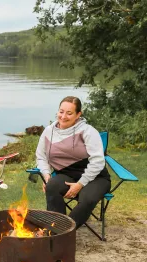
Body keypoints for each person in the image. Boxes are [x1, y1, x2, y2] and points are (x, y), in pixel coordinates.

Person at [36, 96, 111, 229]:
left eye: (69, 113)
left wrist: (80, 184)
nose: (63, 116)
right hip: (66, 174)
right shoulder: (48, 132)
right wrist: (46, 175)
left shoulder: (88, 131)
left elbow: (98, 161)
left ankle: (65, 231)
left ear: (78, 115)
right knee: (52, 186)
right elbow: (41, 156)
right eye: (61, 111)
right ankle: (57, 228)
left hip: (95, 177)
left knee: (88, 199)